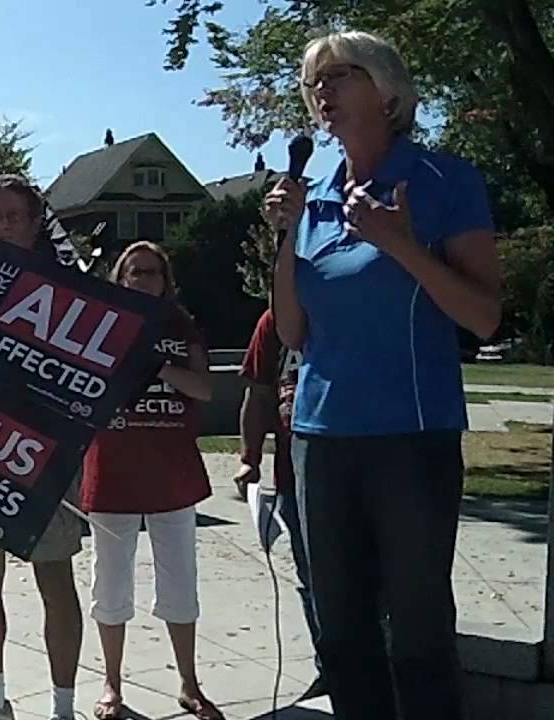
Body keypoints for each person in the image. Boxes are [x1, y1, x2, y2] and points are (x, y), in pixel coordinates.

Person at [264, 31, 500, 720]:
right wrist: (285, 236)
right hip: (320, 436)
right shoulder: (315, 193)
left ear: (388, 91)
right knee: (343, 634)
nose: (323, 90)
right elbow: (291, 331)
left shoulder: (442, 181)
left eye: (340, 75)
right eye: (315, 79)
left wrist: (396, 241)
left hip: (410, 436)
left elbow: (483, 315)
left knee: (417, 633)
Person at [0, 175, 84, 720]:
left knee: (54, 574)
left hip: (42, 448)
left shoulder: (67, 287)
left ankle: (64, 708)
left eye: (12, 217)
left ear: (34, 223)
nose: (0, 225)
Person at [82, 242, 222, 720]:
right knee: (111, 585)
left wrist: (158, 365)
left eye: (152, 272)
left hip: (173, 472)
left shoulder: (181, 326)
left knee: (179, 582)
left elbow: (203, 388)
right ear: (119, 278)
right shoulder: (99, 323)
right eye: (134, 271)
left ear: (166, 280)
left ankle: (189, 682)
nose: (143, 279)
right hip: (113, 470)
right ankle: (111, 684)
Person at [233, 308, 326, 702]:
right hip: (292, 477)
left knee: (366, 579)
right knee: (312, 579)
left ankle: (375, 666)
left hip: (353, 467)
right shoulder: (274, 322)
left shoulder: (346, 305)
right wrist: (249, 456)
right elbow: (259, 392)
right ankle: (330, 666)